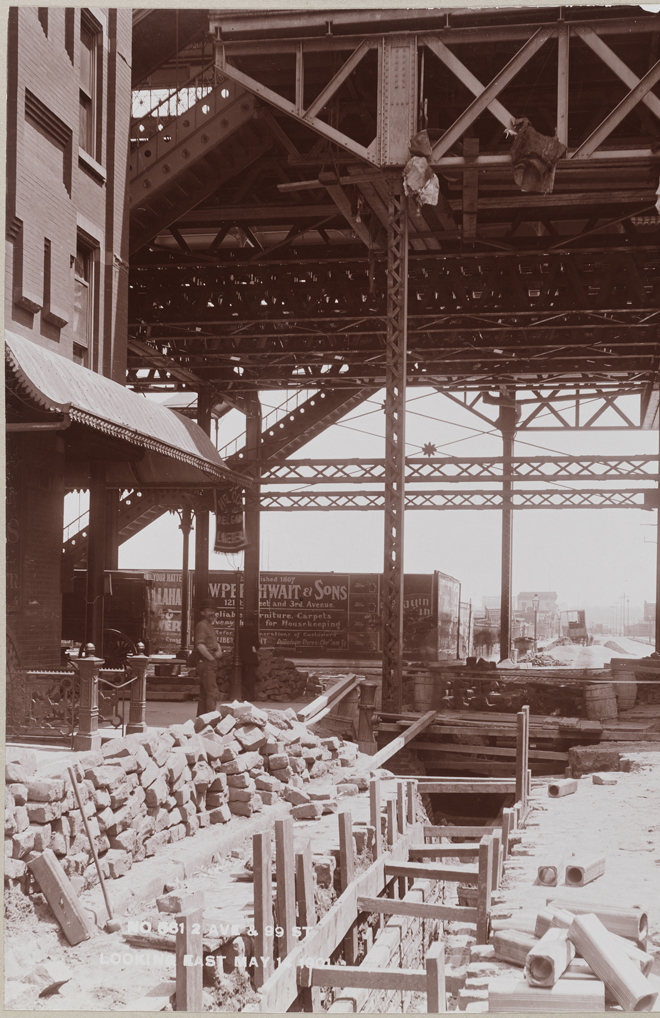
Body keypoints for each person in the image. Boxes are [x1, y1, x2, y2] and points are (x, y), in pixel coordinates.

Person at [194, 599, 221, 716]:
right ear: (202, 612)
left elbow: (213, 642)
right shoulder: (202, 625)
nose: (212, 613)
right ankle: (211, 719)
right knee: (212, 692)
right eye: (209, 610)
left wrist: (219, 650)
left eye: (213, 610)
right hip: (206, 662)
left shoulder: (209, 625)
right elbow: (200, 645)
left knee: (205, 693)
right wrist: (211, 658)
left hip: (208, 661)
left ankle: (202, 720)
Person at [238, 618, 259, 701]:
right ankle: (250, 696)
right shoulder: (253, 631)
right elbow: (257, 644)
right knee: (251, 677)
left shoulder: (240, 630)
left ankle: (243, 695)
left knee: (242, 676)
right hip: (251, 657)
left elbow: (235, 642)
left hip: (241, 657)